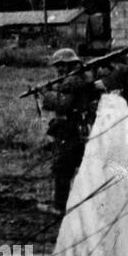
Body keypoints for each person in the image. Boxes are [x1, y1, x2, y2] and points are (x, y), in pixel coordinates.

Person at [37, 47, 98, 217]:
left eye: (62, 66)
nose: (58, 69)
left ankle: (59, 206)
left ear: (70, 65)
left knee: (62, 167)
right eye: (57, 66)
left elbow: (64, 104)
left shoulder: (72, 81)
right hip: (81, 128)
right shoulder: (80, 78)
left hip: (70, 129)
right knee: (79, 165)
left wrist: (46, 94)